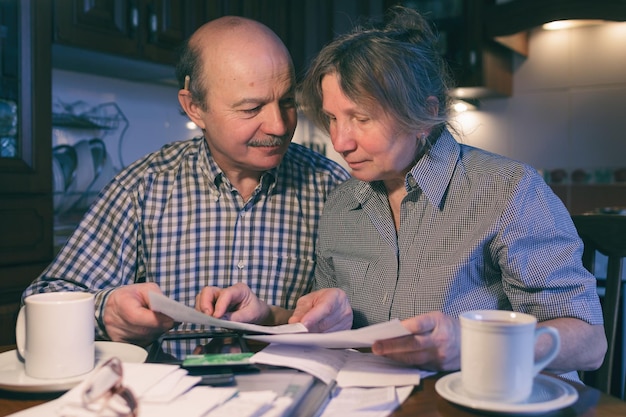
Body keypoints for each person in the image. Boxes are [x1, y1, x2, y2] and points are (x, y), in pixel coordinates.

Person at [212, 6, 607, 380]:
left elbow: (589, 343)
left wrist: (471, 346)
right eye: (332, 118)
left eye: (361, 118)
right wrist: (272, 318)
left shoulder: (508, 191)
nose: (340, 141)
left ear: (422, 113)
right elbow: (330, 330)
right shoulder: (341, 203)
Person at [22, 16, 350, 359]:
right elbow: (45, 300)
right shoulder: (142, 188)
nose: (279, 125)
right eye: (251, 108)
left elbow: (368, 315)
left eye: (286, 101)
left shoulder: (335, 190)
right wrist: (105, 312)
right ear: (195, 107)